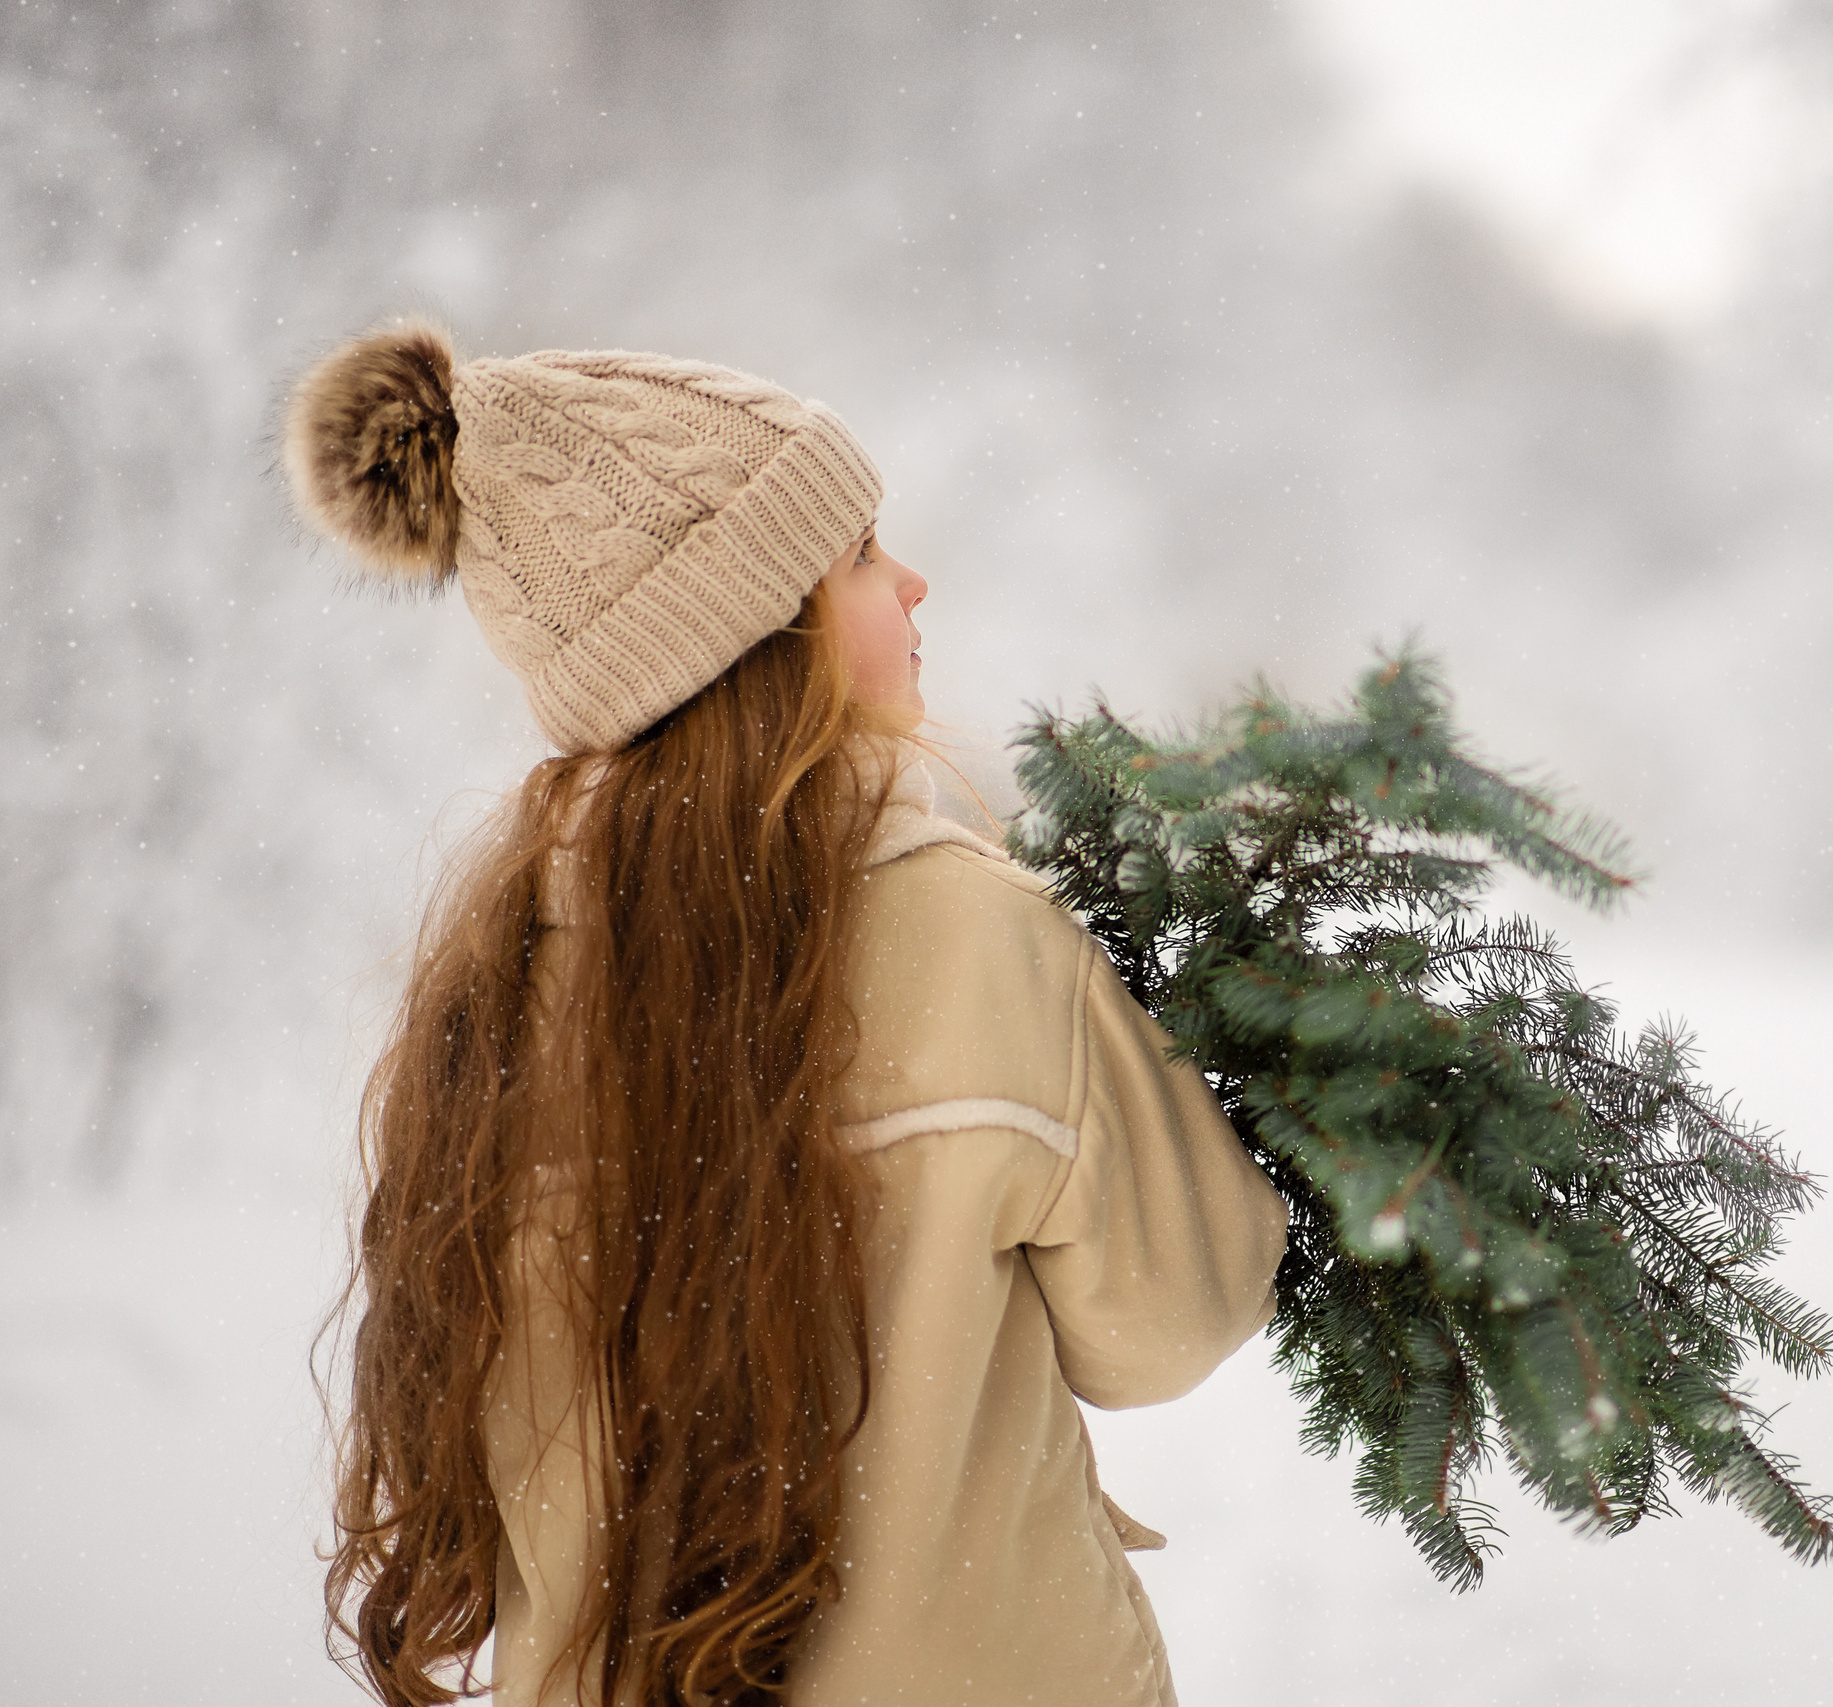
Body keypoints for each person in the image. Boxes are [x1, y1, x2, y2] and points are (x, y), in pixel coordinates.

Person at [285, 323, 1288, 1707]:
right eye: (864, 554)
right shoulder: (977, 934)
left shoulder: (495, 988)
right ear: (758, 631)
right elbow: (1172, 1316)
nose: (914, 578)